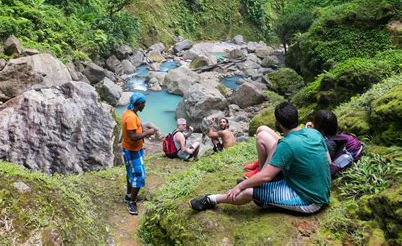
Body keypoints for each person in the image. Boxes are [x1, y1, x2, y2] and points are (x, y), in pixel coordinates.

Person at [190, 102, 331, 214]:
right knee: (274, 145)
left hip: (309, 199)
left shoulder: (288, 145)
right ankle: (260, 190)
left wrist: (240, 186)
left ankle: (211, 199)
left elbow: (266, 177)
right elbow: (328, 162)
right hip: (317, 188)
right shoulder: (314, 133)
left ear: (279, 123)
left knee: (247, 191)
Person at [121, 92, 157, 215]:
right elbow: (133, 136)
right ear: (139, 104)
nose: (145, 105)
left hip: (132, 149)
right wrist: (149, 132)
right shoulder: (131, 117)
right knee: (139, 176)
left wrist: (145, 131)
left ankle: (129, 195)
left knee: (131, 173)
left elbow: (135, 131)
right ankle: (132, 202)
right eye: (144, 103)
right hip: (132, 151)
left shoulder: (130, 112)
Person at [309, 110, 363, 176]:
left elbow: (325, 162)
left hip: (349, 153)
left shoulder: (329, 144)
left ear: (320, 127)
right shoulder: (331, 134)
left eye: (315, 122)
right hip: (351, 146)